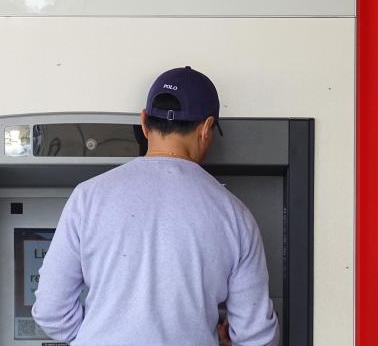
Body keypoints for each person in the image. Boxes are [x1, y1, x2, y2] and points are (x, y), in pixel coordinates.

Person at [31, 67, 279, 346]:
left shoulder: (87, 198)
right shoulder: (235, 216)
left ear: (144, 123)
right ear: (207, 128)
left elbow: (51, 311)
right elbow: (256, 337)